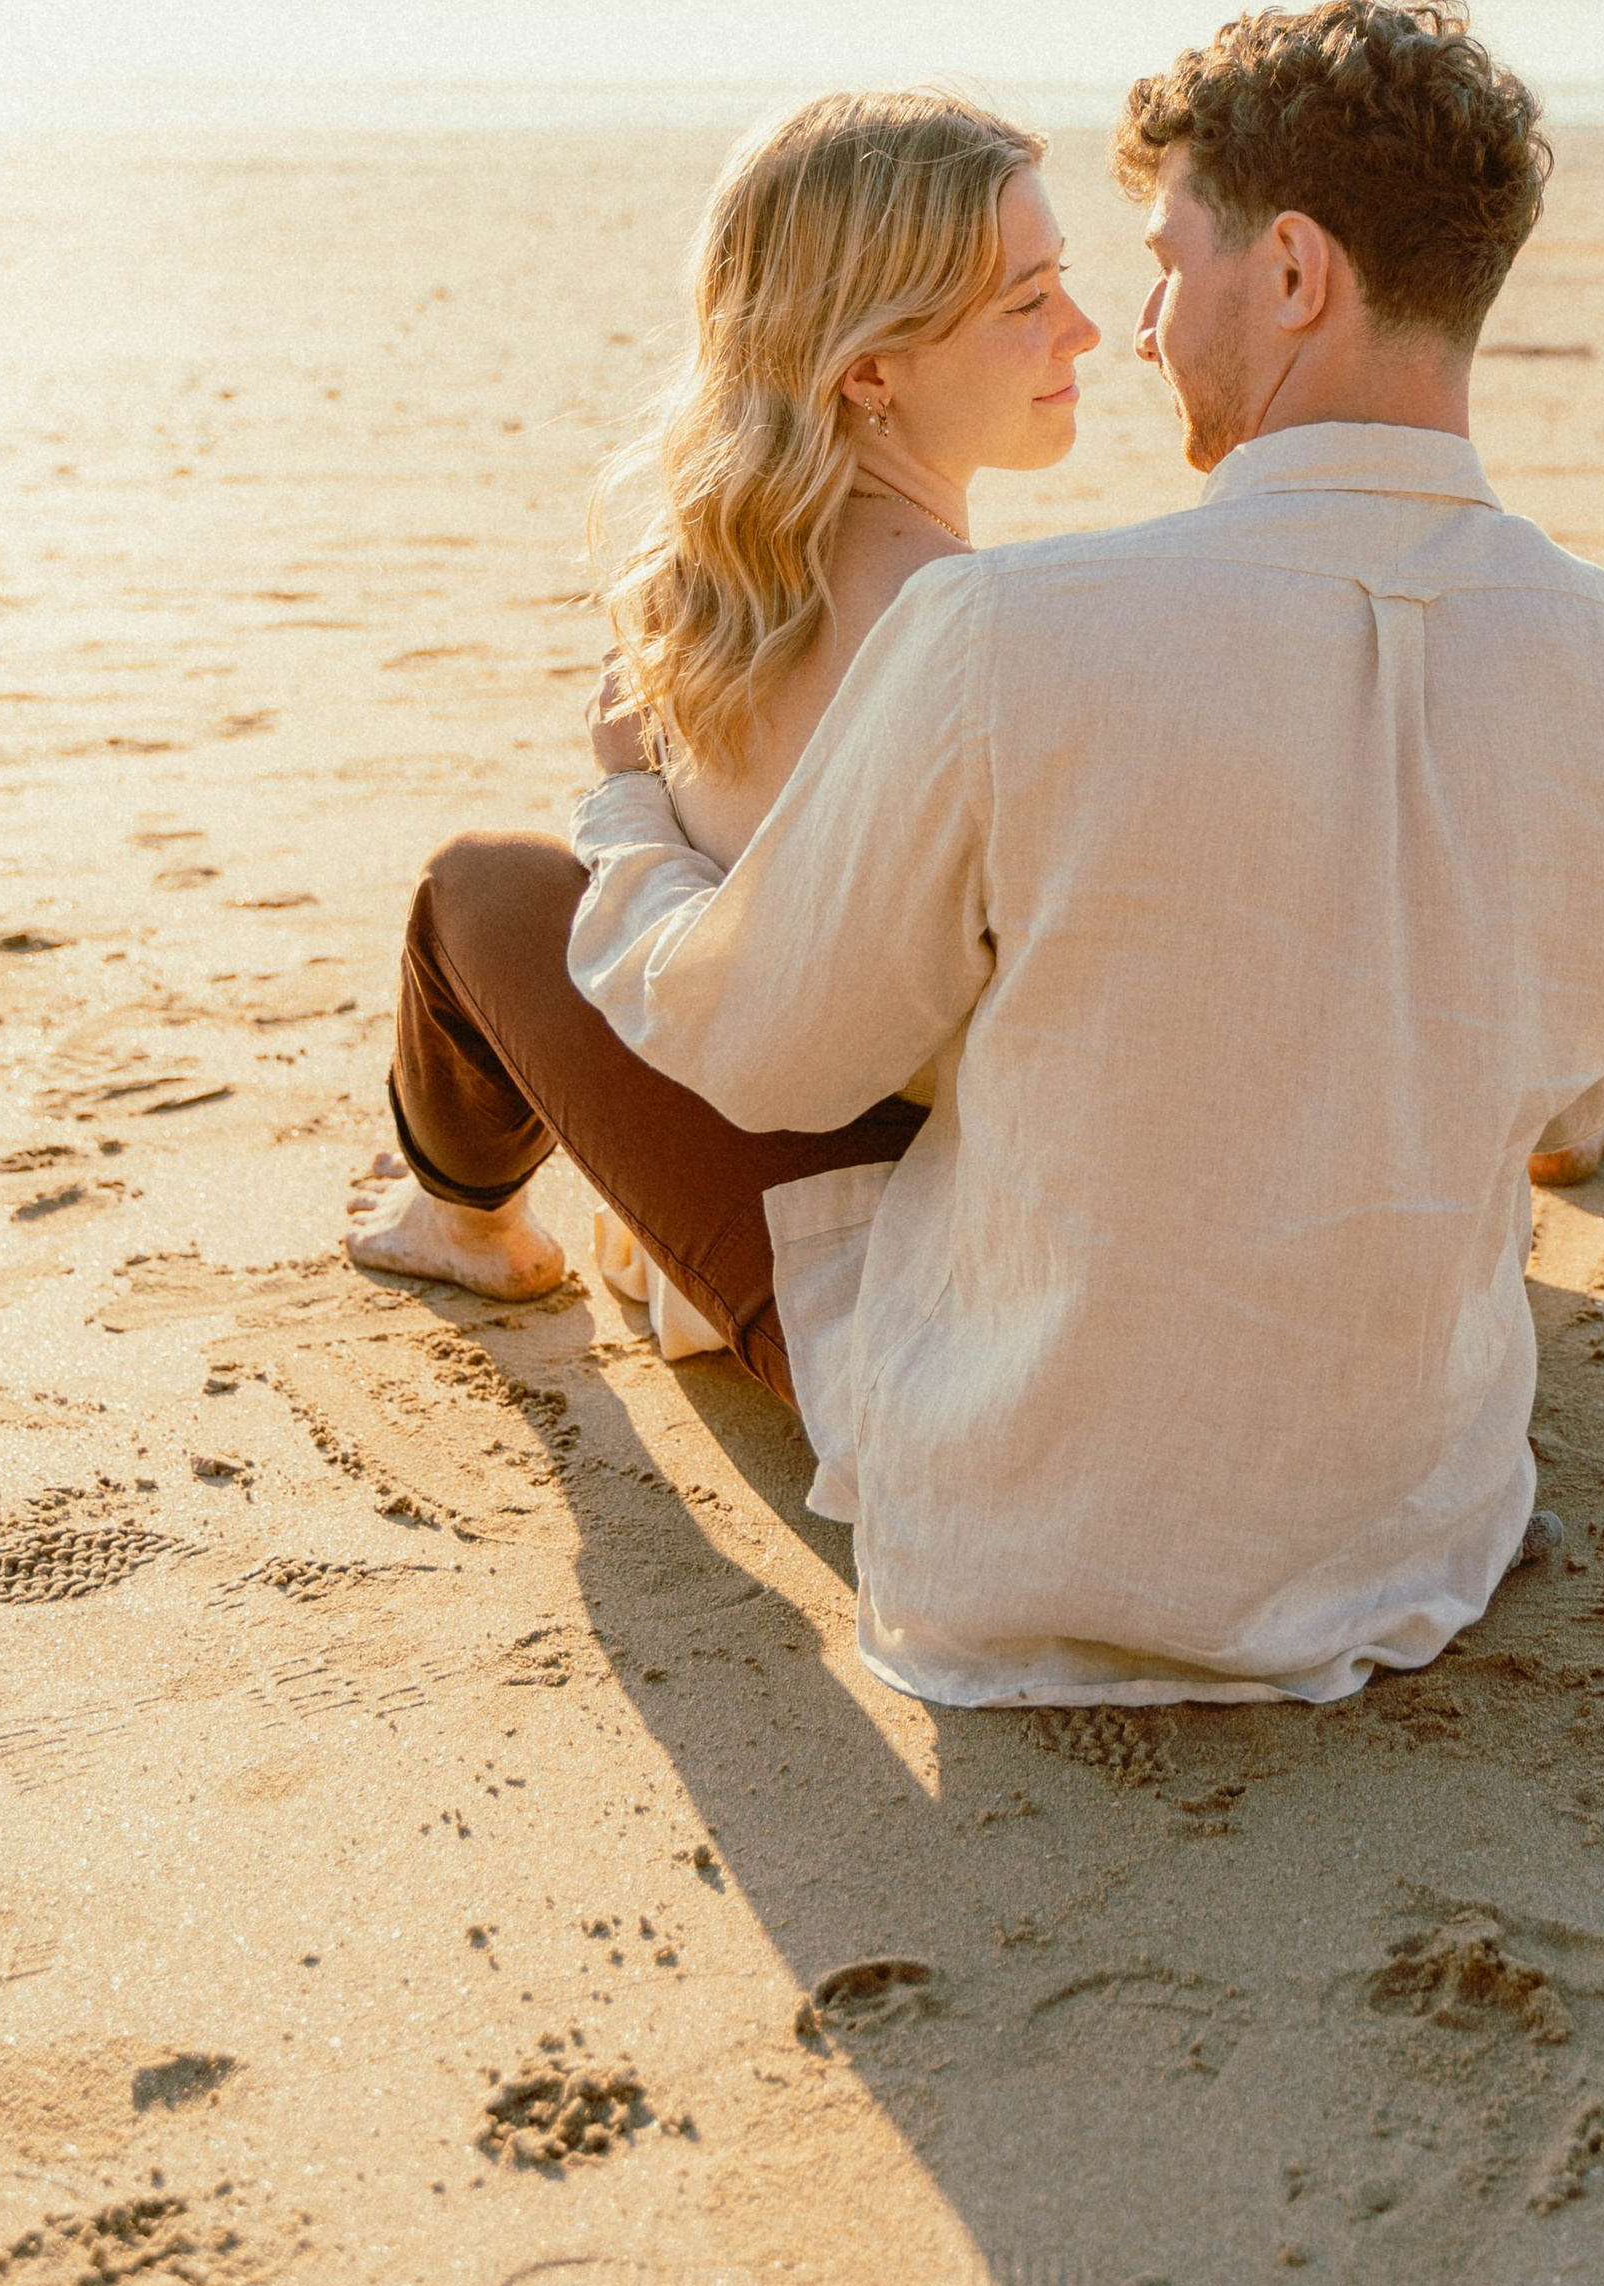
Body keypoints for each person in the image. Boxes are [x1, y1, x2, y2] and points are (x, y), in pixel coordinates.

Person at [566, 0, 1604, 1710]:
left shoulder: (1008, 632)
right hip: (1417, 1534)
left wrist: (624, 824)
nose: (1139, 323)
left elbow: (767, 1049)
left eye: (1168, 261)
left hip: (1028, 1532)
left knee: (513, 907)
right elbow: (1581, 1104)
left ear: (1295, 273)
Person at [342, 89, 1100, 1398]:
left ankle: (460, 1218)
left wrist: (625, 796)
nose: (1083, 329)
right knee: (525, 886)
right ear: (869, 368)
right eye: (1027, 300)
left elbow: (767, 1034)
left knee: (479, 890)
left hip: (904, 1275)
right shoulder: (970, 634)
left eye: (1060, 282)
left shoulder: (706, 588)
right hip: (921, 1187)